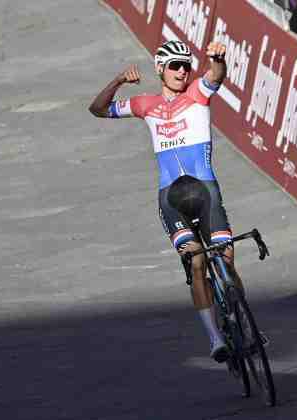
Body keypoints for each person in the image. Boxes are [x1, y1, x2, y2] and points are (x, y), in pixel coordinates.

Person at [88, 40, 241, 363]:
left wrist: (216, 59)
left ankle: (242, 323)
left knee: (226, 257)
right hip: (171, 197)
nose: (182, 71)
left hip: (205, 191)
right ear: (160, 69)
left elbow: (217, 75)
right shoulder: (145, 104)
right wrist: (117, 81)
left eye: (186, 65)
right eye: (174, 65)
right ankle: (215, 339)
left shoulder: (198, 93)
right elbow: (98, 109)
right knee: (198, 260)